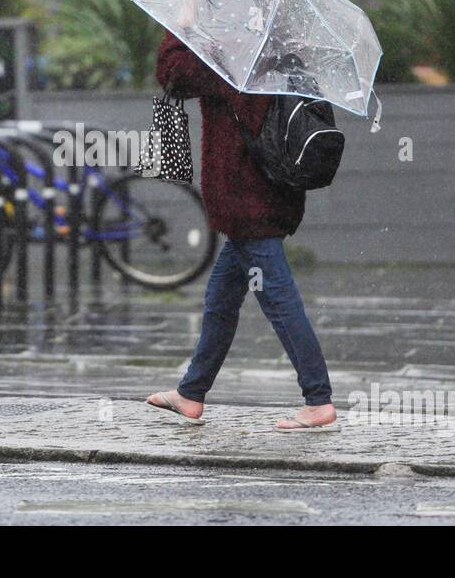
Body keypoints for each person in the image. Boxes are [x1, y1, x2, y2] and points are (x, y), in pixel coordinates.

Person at [145, 30, 338, 432]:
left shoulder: (233, 55)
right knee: (221, 299)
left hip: (246, 199)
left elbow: (172, 73)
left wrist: (180, 20)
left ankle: (318, 400)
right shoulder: (279, 51)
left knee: (279, 301)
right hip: (269, 195)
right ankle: (191, 392)